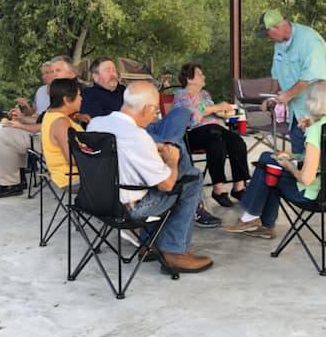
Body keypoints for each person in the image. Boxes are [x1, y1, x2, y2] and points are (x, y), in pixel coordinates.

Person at [76, 57, 221, 228]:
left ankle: (169, 143)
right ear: (95, 77)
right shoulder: (90, 95)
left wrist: (150, 121)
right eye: (108, 70)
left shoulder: (125, 90)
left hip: (149, 127)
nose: (113, 74)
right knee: (189, 168)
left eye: (114, 70)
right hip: (132, 135)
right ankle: (196, 205)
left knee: (181, 113)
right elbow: (102, 126)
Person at [89, 81, 213, 273]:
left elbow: (121, 151)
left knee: (153, 179)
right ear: (147, 108)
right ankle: (174, 252)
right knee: (192, 178)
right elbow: (167, 185)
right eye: (155, 111)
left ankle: (150, 244)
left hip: (97, 201)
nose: (155, 117)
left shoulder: (96, 123)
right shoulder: (139, 137)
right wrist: (172, 162)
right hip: (131, 210)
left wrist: (154, 149)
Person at [223, 79, 326, 240]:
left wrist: (289, 165)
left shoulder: (318, 130)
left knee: (268, 168)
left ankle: (253, 218)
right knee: (269, 159)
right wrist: (294, 156)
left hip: (317, 194)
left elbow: (306, 178)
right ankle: (262, 223)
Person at [256, 9, 326, 155]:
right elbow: (276, 75)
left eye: (268, 33)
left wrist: (288, 95)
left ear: (277, 27)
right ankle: (302, 176)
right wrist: (272, 98)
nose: (267, 38)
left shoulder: (309, 40)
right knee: (299, 155)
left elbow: (311, 78)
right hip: (300, 110)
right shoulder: (279, 45)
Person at [0, 56, 78, 198]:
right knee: (8, 130)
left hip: (54, 141)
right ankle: (17, 177)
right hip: (46, 131)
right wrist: (22, 118)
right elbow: (40, 116)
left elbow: (50, 125)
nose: (50, 75)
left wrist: (21, 125)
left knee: (5, 135)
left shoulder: (73, 95)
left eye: (55, 71)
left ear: (71, 73)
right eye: (48, 72)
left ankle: (11, 183)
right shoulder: (47, 91)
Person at [173, 63, 248, 206]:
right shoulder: (181, 95)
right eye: (200, 74)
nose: (204, 76)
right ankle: (218, 188)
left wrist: (224, 113)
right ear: (189, 79)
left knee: (236, 140)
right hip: (192, 134)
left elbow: (212, 112)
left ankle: (239, 186)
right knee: (215, 139)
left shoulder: (205, 94)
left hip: (214, 129)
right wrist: (217, 107)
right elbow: (194, 116)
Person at [41, 77, 83, 188]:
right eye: (79, 95)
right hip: (73, 178)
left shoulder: (50, 114)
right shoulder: (60, 122)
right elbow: (72, 158)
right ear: (66, 99)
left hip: (67, 175)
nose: (81, 99)